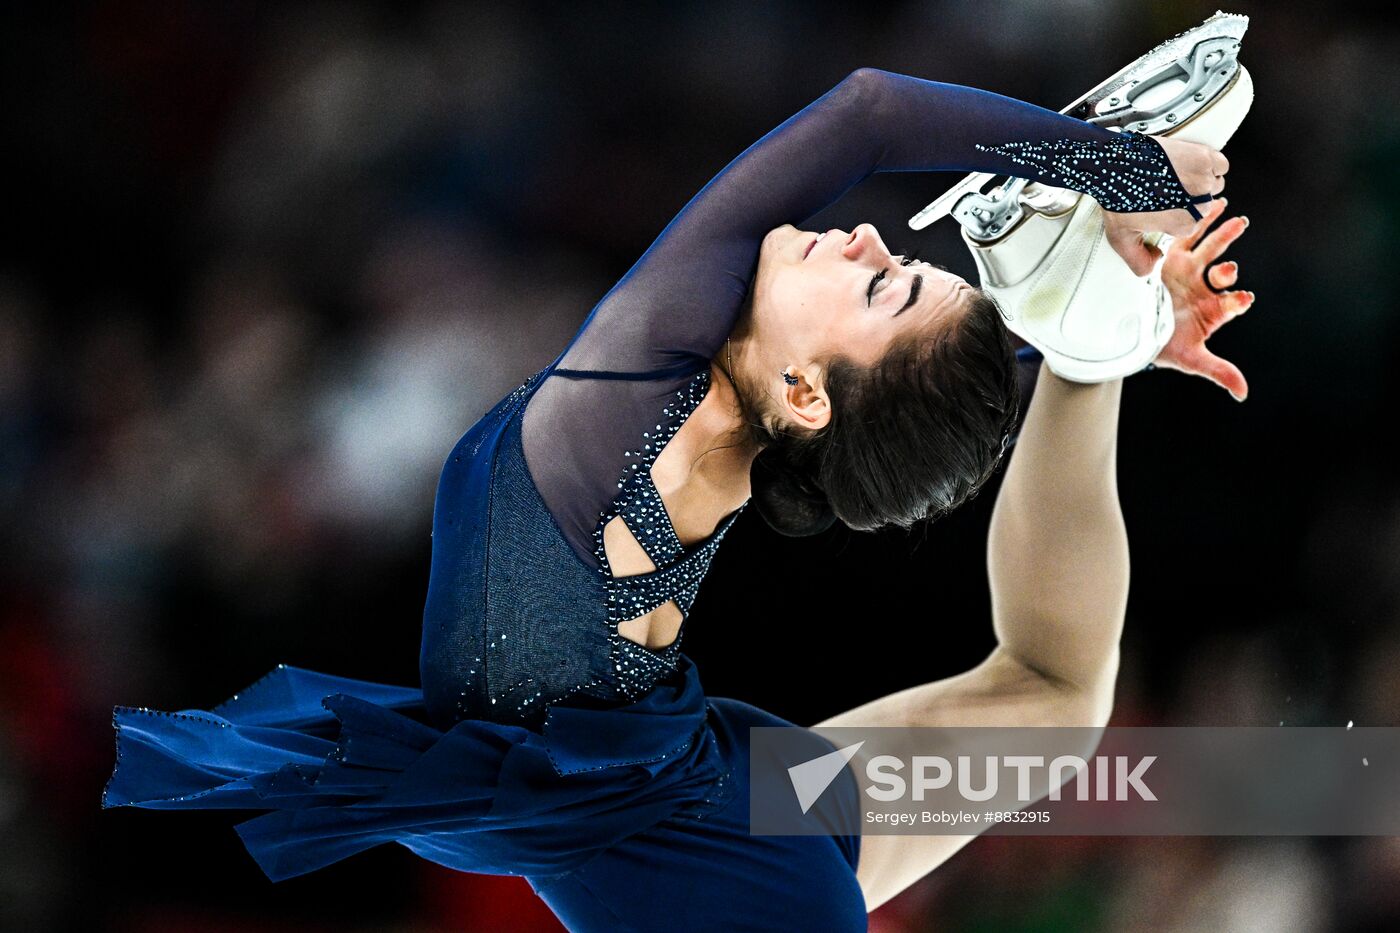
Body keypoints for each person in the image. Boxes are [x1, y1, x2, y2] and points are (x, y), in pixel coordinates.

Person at [102, 68, 1249, 930]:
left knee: (1049, 700)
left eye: (885, 284)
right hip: (707, 803)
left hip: (701, 859)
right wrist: (1117, 321)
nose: (861, 237)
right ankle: (1086, 355)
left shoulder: (637, 376)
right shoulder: (735, 391)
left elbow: (866, 115)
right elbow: (912, 397)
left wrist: (1123, 168)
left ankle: (1084, 353)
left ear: (804, 390)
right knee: (1050, 697)